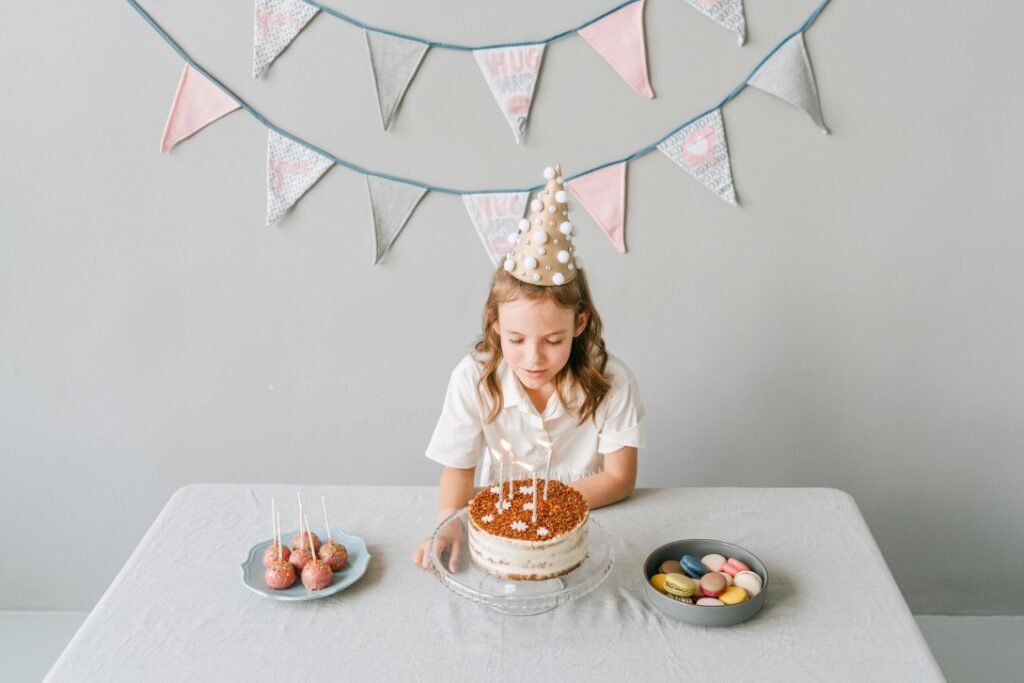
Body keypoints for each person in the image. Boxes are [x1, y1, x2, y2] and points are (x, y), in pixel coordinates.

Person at [412, 165, 645, 571]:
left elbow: (619, 478)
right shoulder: (473, 379)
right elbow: (459, 470)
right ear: (495, 323)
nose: (533, 358)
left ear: (580, 324)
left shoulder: (613, 381)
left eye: (553, 341)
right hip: (498, 539)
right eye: (516, 340)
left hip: (582, 534)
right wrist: (448, 523)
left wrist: (545, 510)